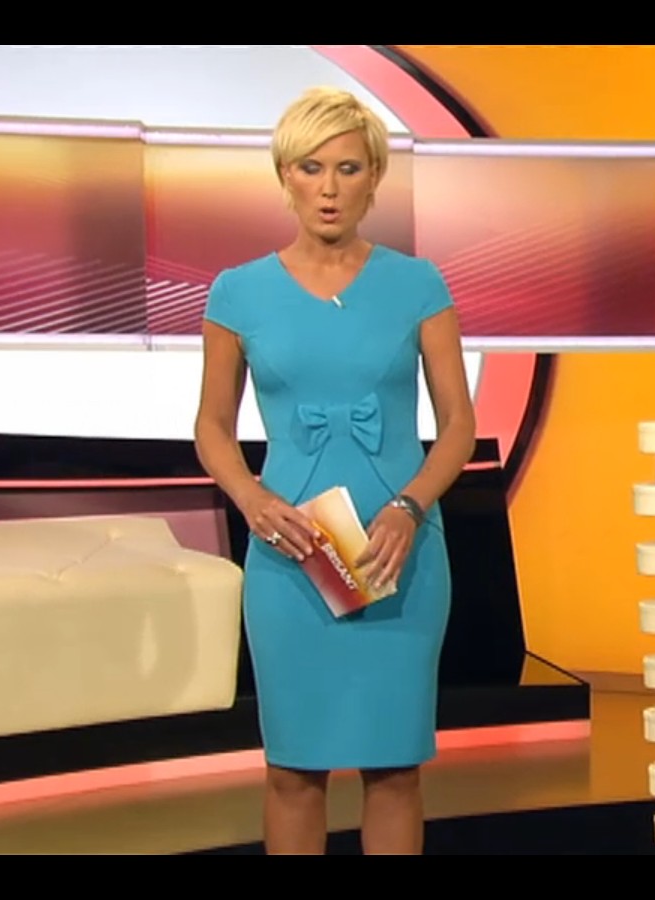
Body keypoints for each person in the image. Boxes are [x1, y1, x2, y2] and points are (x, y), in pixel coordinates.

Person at [193, 86, 476, 855]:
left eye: (348, 169)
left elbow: (458, 426)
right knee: (293, 771)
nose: (328, 188)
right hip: (291, 555)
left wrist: (411, 509)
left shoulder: (419, 284)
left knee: (394, 771)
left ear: (373, 178)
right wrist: (250, 498)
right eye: (310, 167)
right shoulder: (237, 292)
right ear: (284, 175)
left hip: (396, 552)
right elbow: (212, 426)